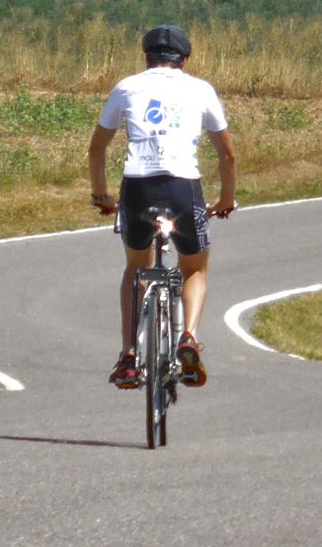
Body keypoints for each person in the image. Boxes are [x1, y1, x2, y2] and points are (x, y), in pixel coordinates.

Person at [89, 24, 235, 391]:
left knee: (136, 269)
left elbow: (97, 148)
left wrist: (101, 195)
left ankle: (128, 356)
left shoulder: (127, 87)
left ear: (146, 57)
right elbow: (227, 154)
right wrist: (227, 199)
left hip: (138, 186)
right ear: (184, 59)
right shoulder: (200, 89)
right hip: (183, 186)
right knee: (195, 269)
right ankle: (188, 336)